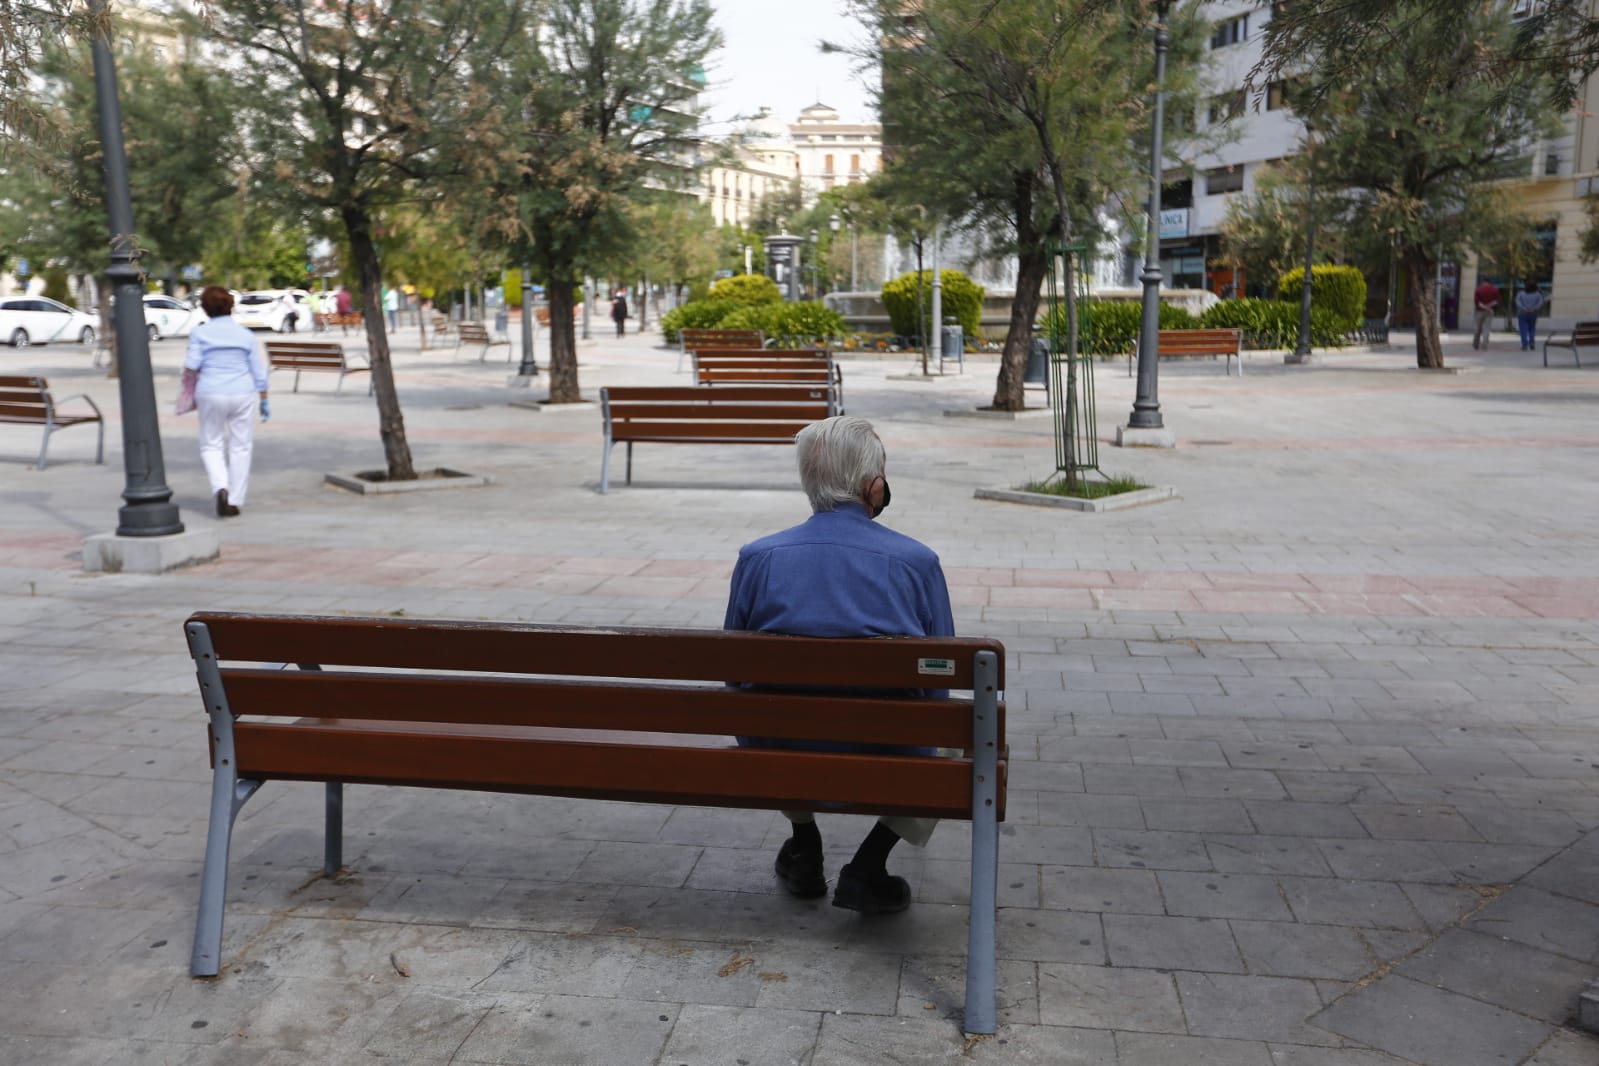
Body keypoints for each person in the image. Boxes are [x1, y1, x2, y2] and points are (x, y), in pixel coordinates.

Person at [724, 415, 955, 915]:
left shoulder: (757, 558)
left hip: (780, 752)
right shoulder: (917, 563)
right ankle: (869, 865)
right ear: (874, 486)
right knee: (960, 731)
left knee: (768, 706)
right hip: (888, 753)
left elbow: (734, 675)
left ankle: (804, 844)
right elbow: (941, 680)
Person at [184, 285, 269, 518]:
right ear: (231, 306)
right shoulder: (245, 335)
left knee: (211, 443)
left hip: (210, 391)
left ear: (204, 308)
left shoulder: (200, 334)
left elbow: (192, 365)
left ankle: (220, 486)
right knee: (241, 445)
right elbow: (259, 371)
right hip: (242, 393)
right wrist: (264, 399)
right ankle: (234, 499)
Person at [1515, 280, 1545, 351]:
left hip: (1522, 313)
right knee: (1532, 329)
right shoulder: (1537, 294)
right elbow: (1541, 302)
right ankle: (1532, 343)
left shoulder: (1521, 293)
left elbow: (1517, 301)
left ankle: (1524, 345)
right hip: (1533, 313)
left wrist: (1523, 308)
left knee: (1523, 329)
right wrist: (1534, 309)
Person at [1472, 279, 1499, 350]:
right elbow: (1497, 301)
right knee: (1486, 328)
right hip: (1490, 311)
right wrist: (1489, 306)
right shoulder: (1495, 290)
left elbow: (1476, 302)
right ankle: (1485, 344)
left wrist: (1484, 306)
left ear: (1483, 282)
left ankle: (1476, 344)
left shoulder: (1478, 290)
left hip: (1479, 311)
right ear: (1489, 282)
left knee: (1477, 328)